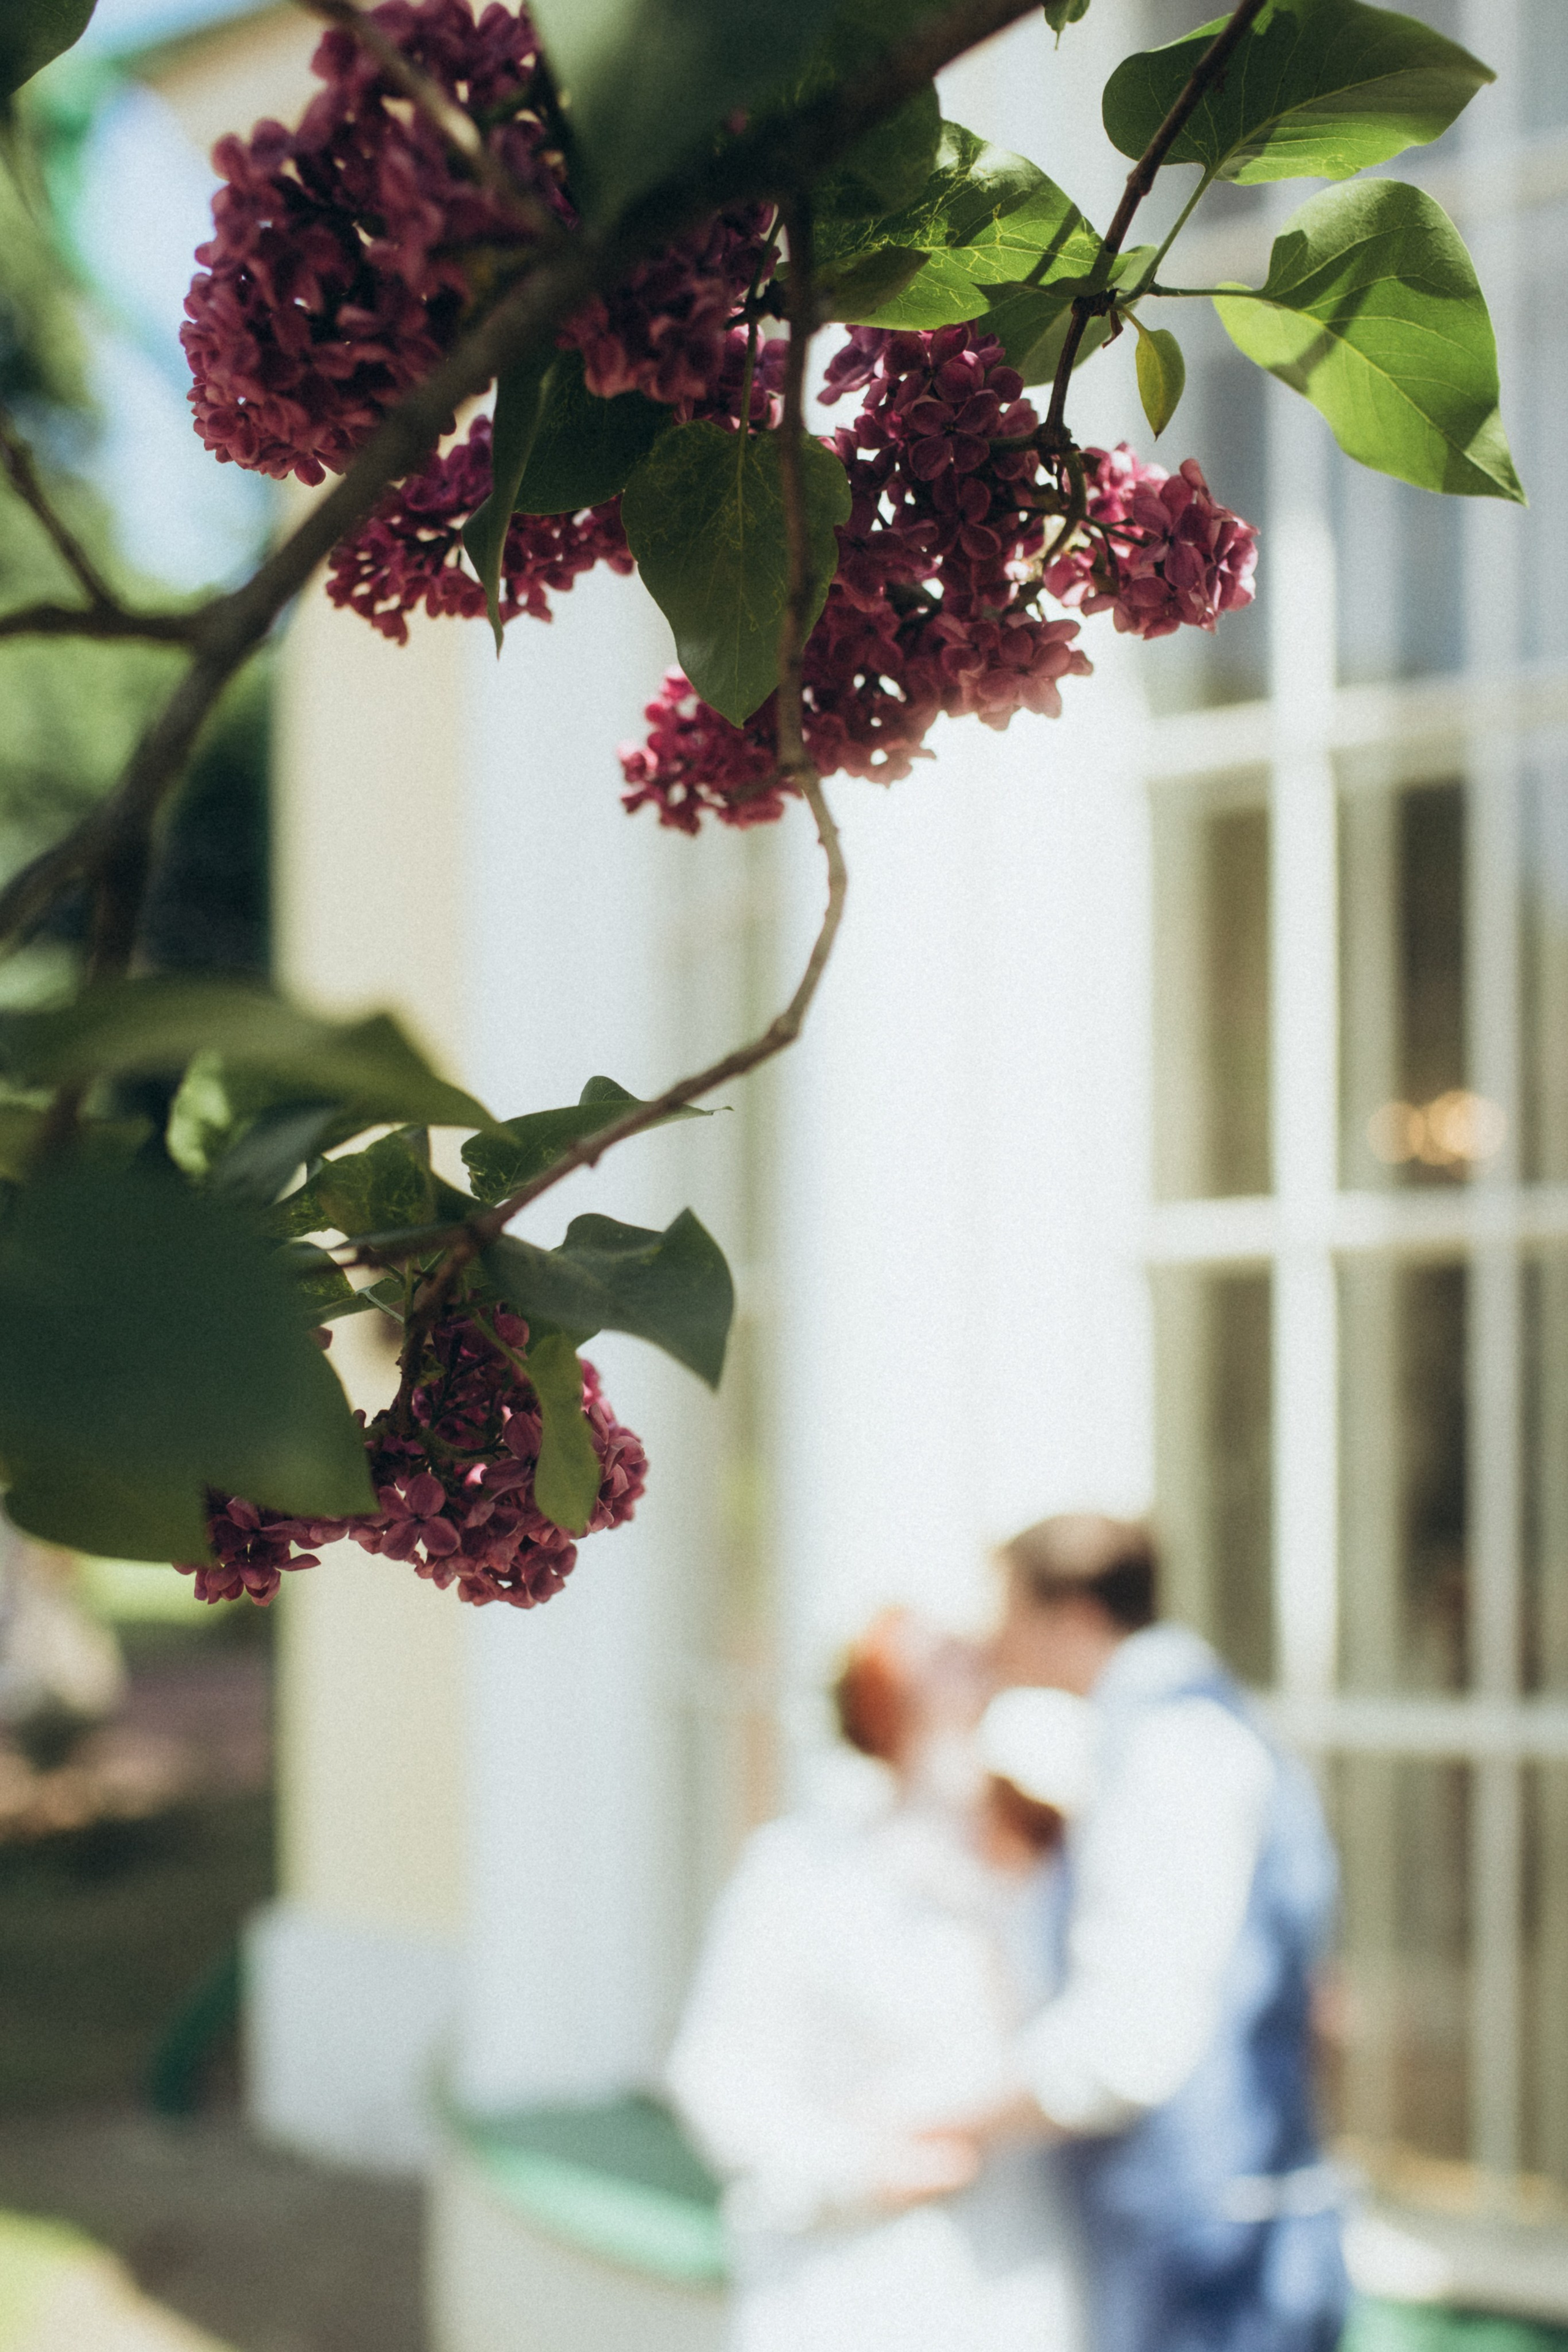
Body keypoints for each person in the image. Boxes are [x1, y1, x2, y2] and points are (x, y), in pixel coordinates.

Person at [665, 1609, 1088, 2352]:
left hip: (1016, 2278)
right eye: (930, 1660)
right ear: (879, 1705)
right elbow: (714, 2073)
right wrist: (856, 2168)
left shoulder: (1052, 1858)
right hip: (852, 2279)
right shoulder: (802, 1870)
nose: (965, 1659)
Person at [984, 1513, 1349, 2352]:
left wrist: (945, 2115)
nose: (994, 1641)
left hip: (1208, 2251)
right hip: (1229, 2224)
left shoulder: (1169, 1752)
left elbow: (1132, 2044)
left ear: (1072, 1616)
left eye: (1007, 1612)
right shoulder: (1190, 1727)